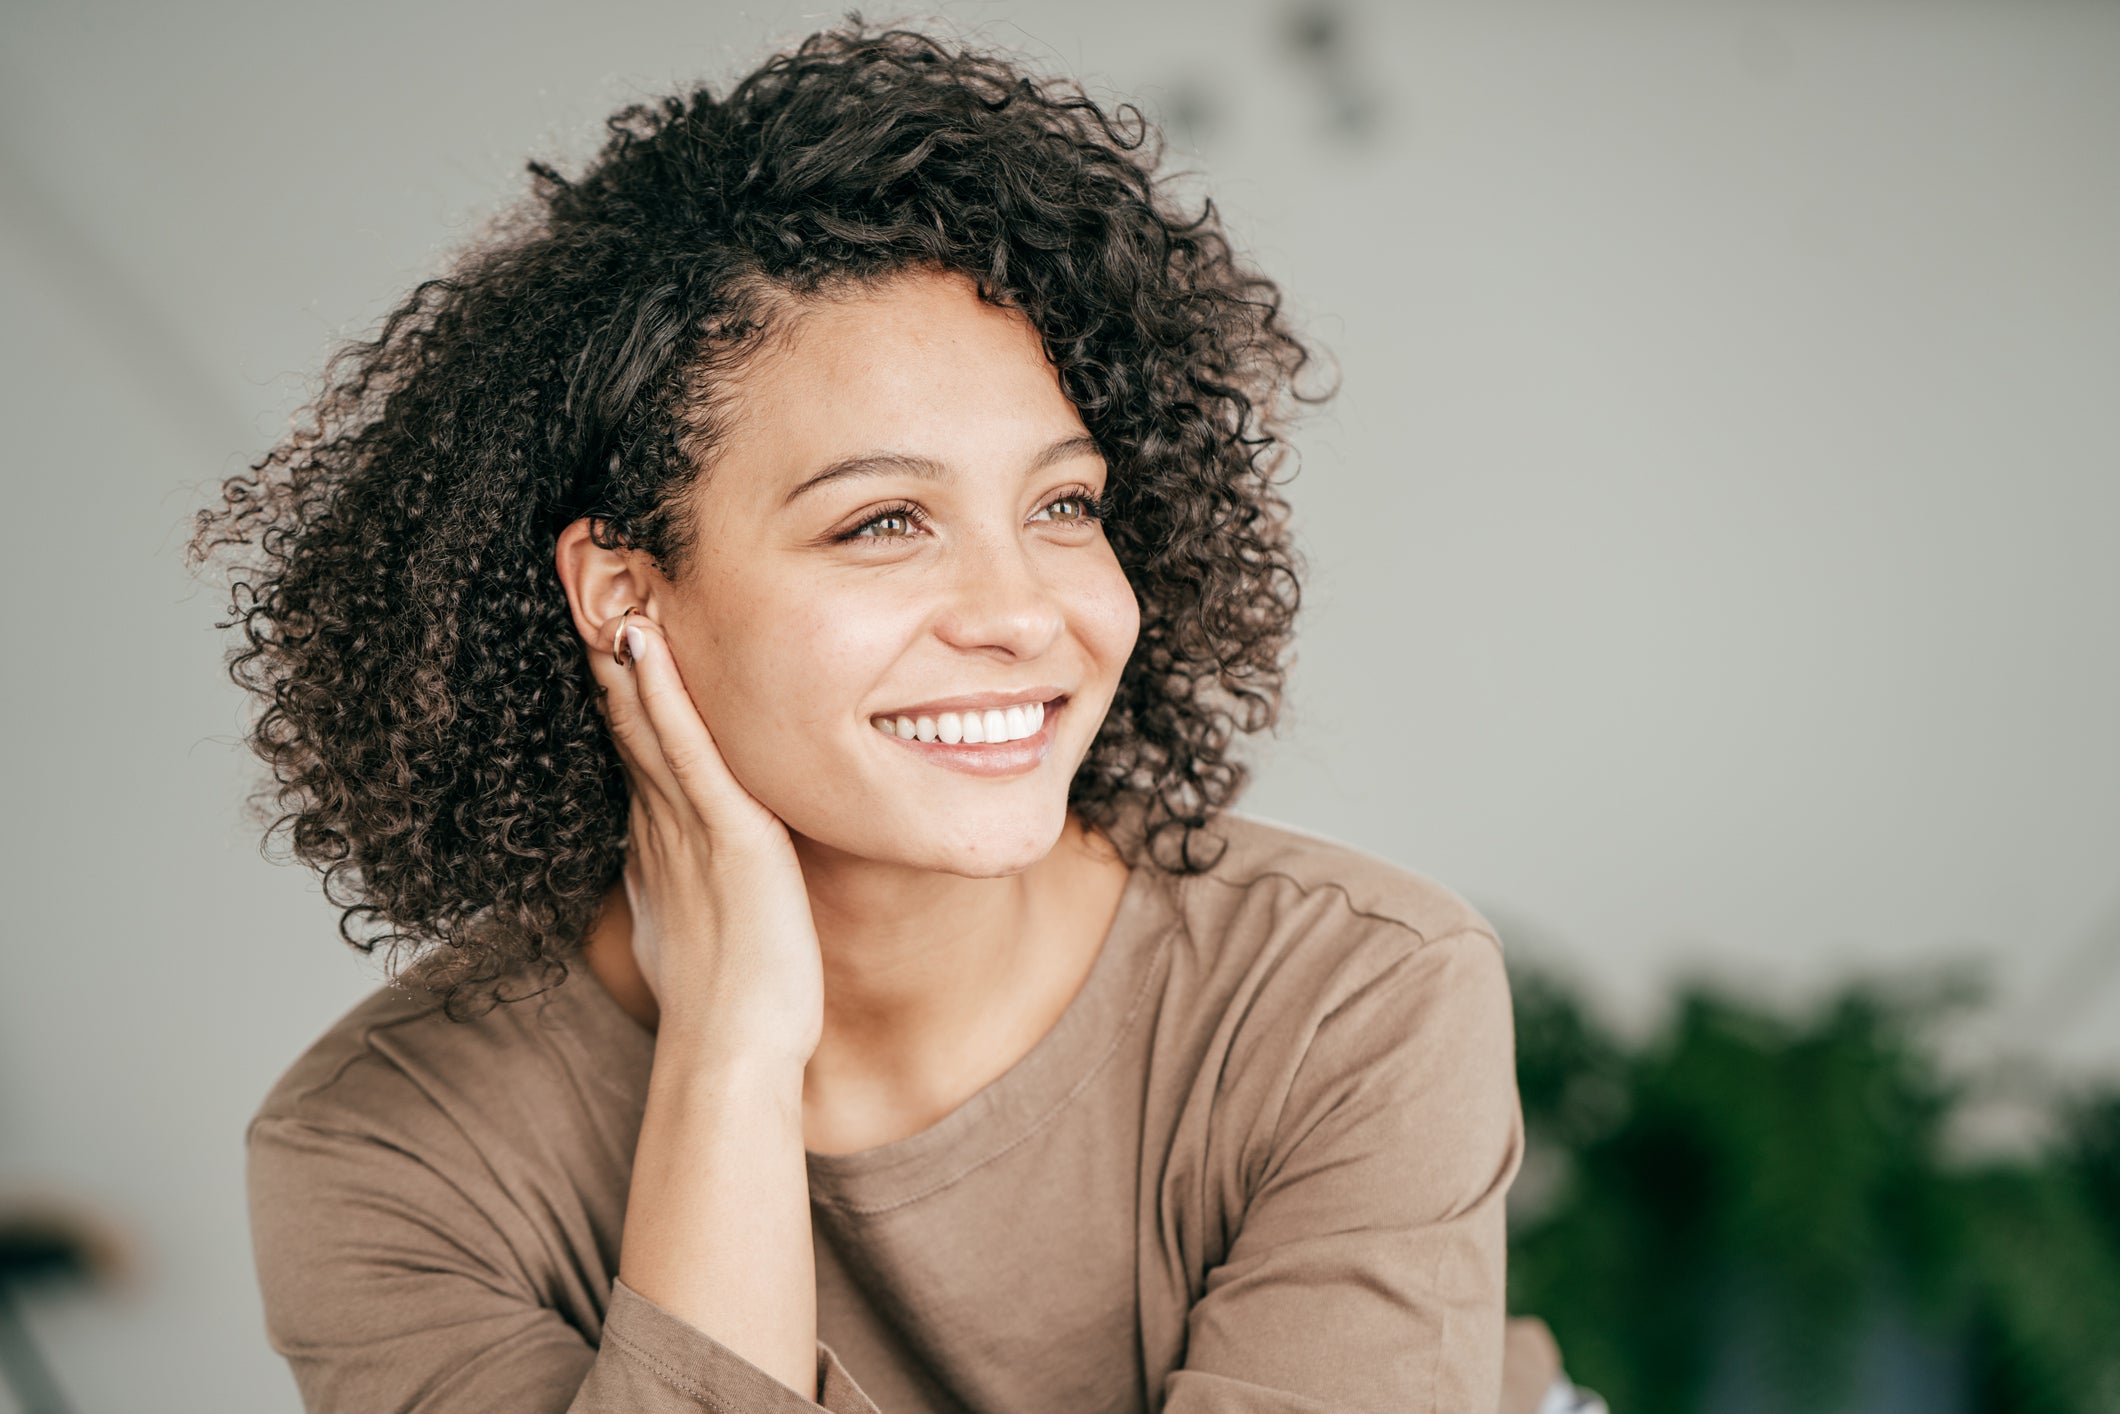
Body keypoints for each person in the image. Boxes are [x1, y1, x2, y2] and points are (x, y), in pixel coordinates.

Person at [194, 20, 1527, 1413]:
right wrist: (732, 1043)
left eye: (1064, 504)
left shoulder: (1351, 995)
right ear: (621, 593)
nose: (1021, 611)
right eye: (885, 520)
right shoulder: (388, 1151)